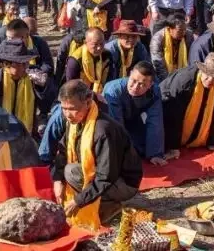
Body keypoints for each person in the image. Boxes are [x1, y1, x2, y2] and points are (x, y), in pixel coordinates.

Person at [51, 79, 143, 226]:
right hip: (108, 176)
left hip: (123, 183)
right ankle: (98, 200)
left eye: (72, 108)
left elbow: (106, 176)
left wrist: (78, 200)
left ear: (88, 102)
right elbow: (62, 151)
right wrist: (57, 180)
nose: (68, 114)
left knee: (72, 172)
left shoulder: (103, 130)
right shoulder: (75, 122)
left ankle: (109, 206)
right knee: (66, 171)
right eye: (64, 108)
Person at [161, 53, 214, 155]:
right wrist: (173, 146)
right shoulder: (185, 80)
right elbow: (174, 115)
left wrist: (211, 140)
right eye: (208, 75)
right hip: (165, 104)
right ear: (202, 70)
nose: (210, 80)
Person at [0, 39, 55, 136]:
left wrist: (43, 87)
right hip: (2, 135)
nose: (26, 67)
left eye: (27, 63)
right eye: (22, 64)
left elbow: (46, 104)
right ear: (7, 64)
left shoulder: (33, 76)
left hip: (27, 134)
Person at [103, 61, 166, 165]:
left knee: (143, 149)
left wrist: (155, 154)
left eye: (142, 84)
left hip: (132, 121)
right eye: (134, 80)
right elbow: (117, 125)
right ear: (130, 74)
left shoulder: (154, 91)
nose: (135, 87)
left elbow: (155, 120)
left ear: (150, 85)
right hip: (110, 124)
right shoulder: (114, 90)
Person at [65, 27, 116, 93]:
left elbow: (110, 79)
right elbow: (71, 87)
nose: (99, 48)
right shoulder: (75, 60)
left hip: (102, 92)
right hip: (81, 95)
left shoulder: (107, 55)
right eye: (95, 44)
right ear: (85, 42)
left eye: (101, 44)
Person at [150, 14, 192, 81]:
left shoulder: (188, 35)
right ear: (169, 29)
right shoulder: (157, 40)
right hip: (163, 75)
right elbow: (159, 66)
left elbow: (191, 58)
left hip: (181, 73)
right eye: (180, 30)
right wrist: (169, 82)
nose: (183, 33)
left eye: (185, 30)